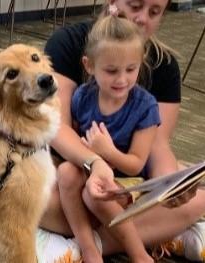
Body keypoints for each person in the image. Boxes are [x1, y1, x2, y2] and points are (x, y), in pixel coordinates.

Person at [39, 0, 205, 261]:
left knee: (200, 197)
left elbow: (157, 145)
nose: (142, 18)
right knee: (34, 196)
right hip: (74, 173)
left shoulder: (164, 67)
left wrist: (169, 188)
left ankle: (78, 247)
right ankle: (160, 232)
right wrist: (95, 162)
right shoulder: (68, 43)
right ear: (113, 2)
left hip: (127, 183)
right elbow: (58, 127)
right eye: (135, 6)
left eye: (154, 12)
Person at [57, 15, 159, 263]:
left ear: (140, 64)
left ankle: (138, 253)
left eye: (131, 69)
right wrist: (88, 153)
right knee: (65, 172)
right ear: (89, 66)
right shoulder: (82, 96)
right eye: (111, 71)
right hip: (92, 173)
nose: (122, 79)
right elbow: (75, 139)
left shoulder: (145, 106)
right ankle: (88, 247)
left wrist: (108, 151)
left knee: (94, 195)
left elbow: (136, 163)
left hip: (128, 180)